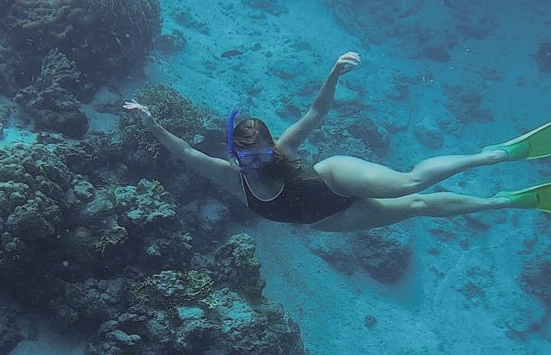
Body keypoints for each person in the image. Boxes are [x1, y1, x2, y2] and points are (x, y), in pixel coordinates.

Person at [123, 53, 551, 232]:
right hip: (325, 221)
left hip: (331, 181)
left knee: (408, 186)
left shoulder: (285, 149)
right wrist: (150, 123)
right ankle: (506, 201)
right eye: (244, 157)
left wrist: (332, 74)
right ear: (233, 156)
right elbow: (186, 152)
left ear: (271, 147)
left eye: (260, 154)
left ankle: (496, 154)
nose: (254, 163)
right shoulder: (229, 176)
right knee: (420, 209)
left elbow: (315, 112)